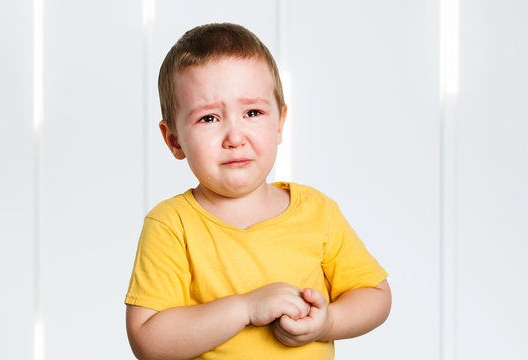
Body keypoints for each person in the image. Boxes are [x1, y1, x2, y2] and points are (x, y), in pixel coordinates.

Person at [125, 23, 391, 360]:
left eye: (253, 112)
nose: (235, 137)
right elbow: (148, 340)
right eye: (208, 118)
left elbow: (376, 295)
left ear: (279, 123)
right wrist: (245, 308)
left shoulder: (317, 211)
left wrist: (328, 322)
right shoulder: (171, 224)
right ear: (174, 139)